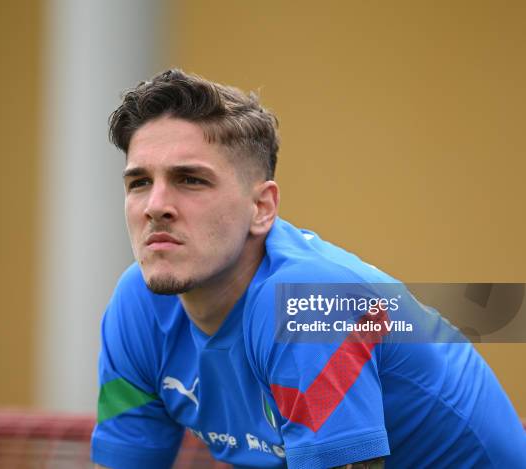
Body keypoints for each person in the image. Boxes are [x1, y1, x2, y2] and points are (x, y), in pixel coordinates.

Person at [90, 69, 525, 468]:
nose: (156, 206)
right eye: (139, 182)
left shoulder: (312, 302)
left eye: (191, 180)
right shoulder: (137, 305)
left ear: (262, 208)